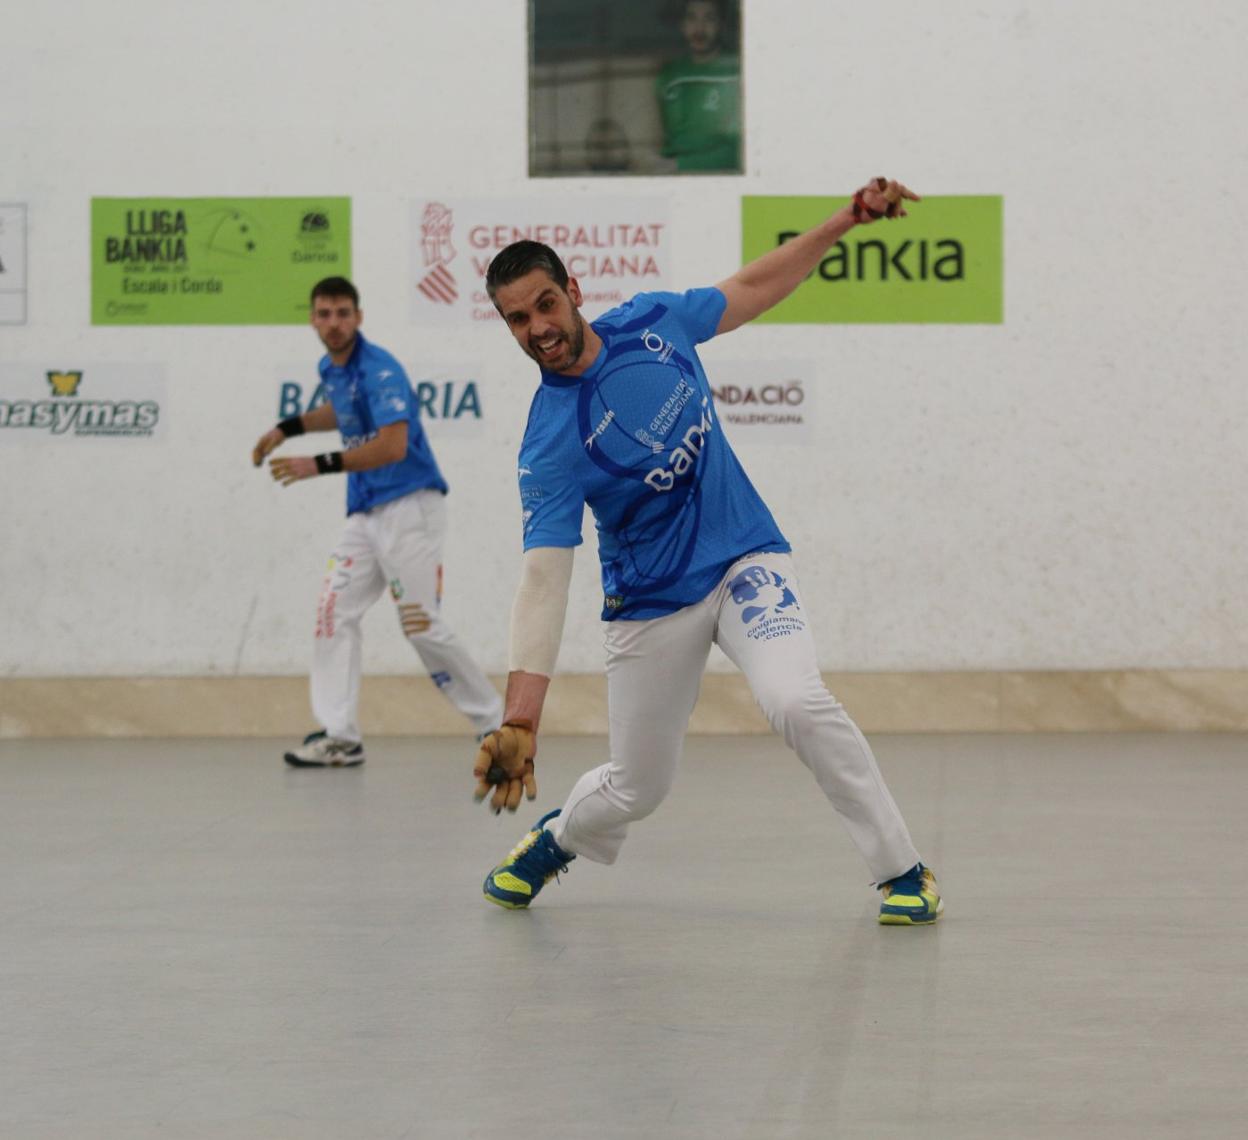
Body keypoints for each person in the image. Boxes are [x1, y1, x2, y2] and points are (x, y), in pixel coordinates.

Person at [471, 178, 942, 925]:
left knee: (797, 699)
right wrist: (522, 720)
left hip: (743, 556)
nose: (538, 329)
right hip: (650, 602)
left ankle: (904, 872)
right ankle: (557, 838)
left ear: (573, 288)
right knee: (638, 787)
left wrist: (847, 219)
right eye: (516, 320)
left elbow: (756, 284)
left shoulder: (655, 322)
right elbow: (543, 579)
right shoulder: (548, 444)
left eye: (545, 305)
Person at [252, 276, 502, 767]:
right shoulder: (332, 367)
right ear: (312, 319)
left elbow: (392, 445)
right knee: (332, 611)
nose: (334, 323)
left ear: (359, 317)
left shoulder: (380, 368)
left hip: (411, 507)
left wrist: (315, 464)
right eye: (324, 313)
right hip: (364, 516)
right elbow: (342, 412)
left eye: (343, 313)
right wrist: (288, 428)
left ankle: (495, 724)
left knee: (420, 625)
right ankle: (340, 736)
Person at [655, 0, 742, 173]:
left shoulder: (735, 71)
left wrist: (679, 165)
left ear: (721, 25)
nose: (699, 29)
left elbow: (741, 151)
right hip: (671, 177)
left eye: (709, 19)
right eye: (691, 18)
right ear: (682, 25)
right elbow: (662, 140)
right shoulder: (669, 74)